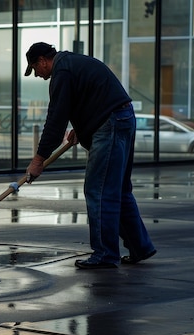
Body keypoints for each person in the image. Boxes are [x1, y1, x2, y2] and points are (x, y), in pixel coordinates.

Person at [24, 42, 156, 269]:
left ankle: (105, 255)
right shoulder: (73, 63)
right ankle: (140, 247)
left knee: (99, 190)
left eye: (36, 69)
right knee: (119, 190)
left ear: (43, 61)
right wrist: (83, 129)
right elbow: (90, 98)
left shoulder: (62, 72)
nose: (37, 75)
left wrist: (39, 160)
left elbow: (56, 118)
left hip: (111, 123)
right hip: (122, 118)